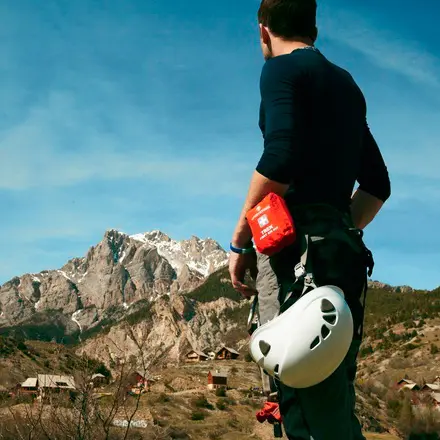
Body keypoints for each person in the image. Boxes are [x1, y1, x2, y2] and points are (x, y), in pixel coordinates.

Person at [228, 1, 391, 439]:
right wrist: (339, 227)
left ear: (264, 32)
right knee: (334, 399)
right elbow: (377, 184)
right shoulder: (347, 86)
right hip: (345, 259)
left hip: (294, 258)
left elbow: (280, 158)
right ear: (314, 27)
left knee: (304, 407)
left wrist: (241, 241)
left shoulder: (281, 70)